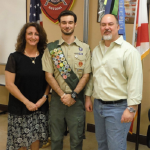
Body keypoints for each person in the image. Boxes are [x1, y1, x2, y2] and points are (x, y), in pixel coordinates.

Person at [85, 14, 143, 150]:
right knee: (102, 144)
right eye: (103, 25)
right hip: (98, 106)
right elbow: (93, 76)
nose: (107, 28)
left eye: (110, 24)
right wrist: (88, 97)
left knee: (116, 147)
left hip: (118, 108)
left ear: (118, 27)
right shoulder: (97, 50)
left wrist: (132, 108)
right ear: (100, 28)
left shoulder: (128, 51)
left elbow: (135, 81)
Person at [42, 10, 91, 150]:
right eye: (64, 22)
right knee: (56, 139)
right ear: (59, 25)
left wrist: (73, 95)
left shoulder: (85, 48)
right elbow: (48, 75)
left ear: (75, 24)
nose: (67, 25)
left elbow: (87, 75)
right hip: (58, 99)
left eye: (70, 22)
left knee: (76, 141)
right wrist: (63, 95)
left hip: (76, 100)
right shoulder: (51, 49)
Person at [5, 22, 50, 150]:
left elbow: (49, 80)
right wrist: (27, 102)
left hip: (39, 108)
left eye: (36, 34)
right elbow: (9, 84)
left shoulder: (45, 58)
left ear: (40, 37)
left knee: (35, 142)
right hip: (20, 109)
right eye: (30, 33)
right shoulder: (14, 57)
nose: (33, 37)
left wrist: (44, 98)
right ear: (24, 36)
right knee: (21, 145)